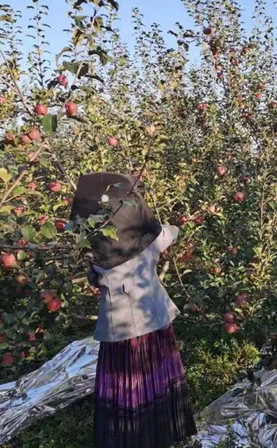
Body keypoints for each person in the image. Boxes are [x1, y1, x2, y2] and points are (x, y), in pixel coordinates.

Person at [70, 172, 197, 448]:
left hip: (120, 327)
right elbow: (169, 235)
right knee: (157, 377)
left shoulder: (95, 245)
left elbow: (94, 279)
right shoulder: (147, 236)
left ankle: (130, 439)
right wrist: (175, 226)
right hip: (154, 317)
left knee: (127, 387)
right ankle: (162, 434)